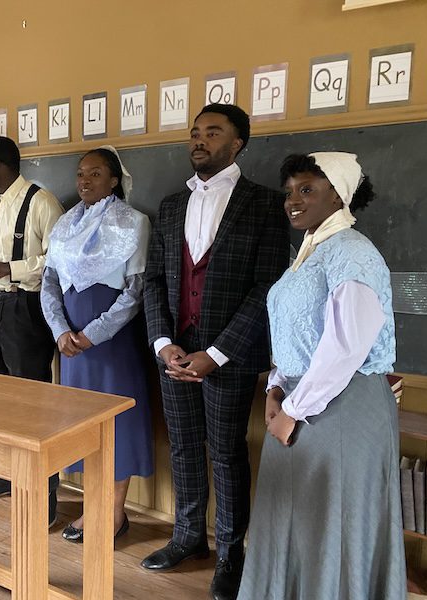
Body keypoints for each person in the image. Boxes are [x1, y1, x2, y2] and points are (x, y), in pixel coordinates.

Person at [237, 152, 405, 600]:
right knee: (297, 521)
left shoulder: (353, 253)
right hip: (300, 402)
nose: (292, 200)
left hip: (341, 408)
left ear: (338, 195)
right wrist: (275, 387)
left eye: (307, 189)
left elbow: (346, 346)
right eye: (289, 191)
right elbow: (296, 333)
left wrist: (293, 409)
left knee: (334, 524)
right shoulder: (310, 253)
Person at [142, 103, 289, 600]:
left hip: (229, 355)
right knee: (183, 446)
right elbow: (155, 280)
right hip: (174, 351)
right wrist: (163, 343)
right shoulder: (170, 206)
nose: (199, 140)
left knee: (226, 452)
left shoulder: (265, 204)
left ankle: (230, 553)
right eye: (194, 133)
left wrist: (218, 352)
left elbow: (268, 287)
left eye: (212, 132)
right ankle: (188, 538)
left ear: (237, 143)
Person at [40, 146, 154, 540]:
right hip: (71, 345)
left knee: (117, 424)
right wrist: (60, 330)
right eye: (80, 174)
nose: (85, 181)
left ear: (114, 179)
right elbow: (49, 283)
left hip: (111, 343)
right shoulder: (64, 224)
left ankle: (114, 513)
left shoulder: (134, 222)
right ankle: (93, 504)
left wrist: (93, 334)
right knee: (80, 425)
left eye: (95, 173)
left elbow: (135, 291)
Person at [0, 136, 65, 526]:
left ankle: (46, 490)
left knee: (33, 403)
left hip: (27, 308)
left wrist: (10, 269)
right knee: (0, 399)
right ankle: (8, 475)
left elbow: (57, 260)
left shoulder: (42, 202)